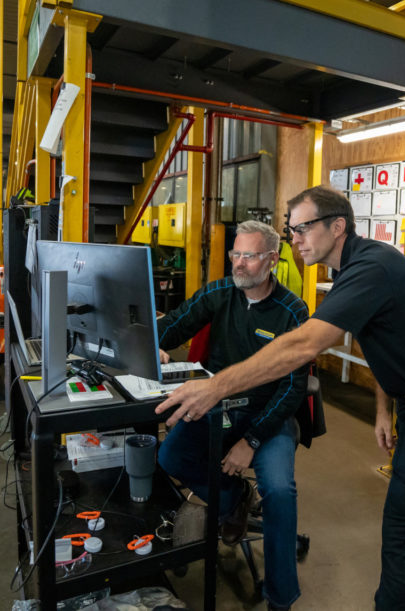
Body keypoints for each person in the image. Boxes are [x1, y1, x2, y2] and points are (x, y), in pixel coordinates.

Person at [157, 186, 405, 611]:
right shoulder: (353, 271)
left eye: (303, 228)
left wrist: (216, 386)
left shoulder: (371, 267)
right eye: (290, 229)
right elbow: (390, 343)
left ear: (337, 226)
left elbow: (303, 347)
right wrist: (384, 409)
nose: (295, 238)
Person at [156, 219, 309, 611]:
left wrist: (251, 442)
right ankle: (234, 497)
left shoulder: (292, 312)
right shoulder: (220, 292)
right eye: (235, 254)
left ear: (272, 260)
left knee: (278, 491)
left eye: (250, 256)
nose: (239, 264)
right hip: (222, 410)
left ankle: (280, 597)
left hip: (271, 419)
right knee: (169, 456)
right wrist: (147, 343)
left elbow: (292, 388)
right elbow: (175, 325)